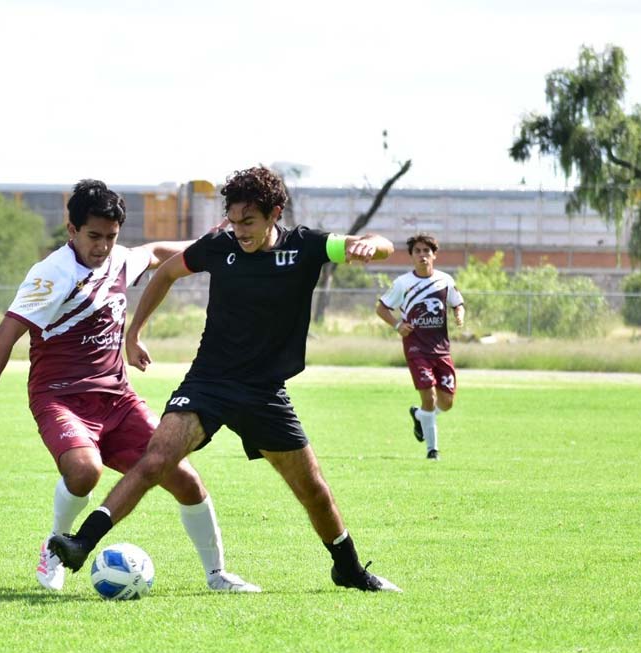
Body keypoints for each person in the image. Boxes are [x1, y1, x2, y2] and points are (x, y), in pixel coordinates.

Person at [49, 166, 402, 593]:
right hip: (208, 384)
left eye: (248, 222)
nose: (238, 231)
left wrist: (369, 246)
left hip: (264, 393)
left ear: (275, 214)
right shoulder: (219, 246)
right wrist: (135, 333)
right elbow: (165, 273)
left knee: (313, 491)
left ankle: (347, 568)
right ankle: (82, 542)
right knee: (156, 459)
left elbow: (382, 246)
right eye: (232, 221)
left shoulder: (306, 246)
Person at [0, 179, 259, 594]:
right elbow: (8, 333)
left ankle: (217, 574)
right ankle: (55, 547)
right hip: (60, 397)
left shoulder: (118, 260)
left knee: (185, 478)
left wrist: (210, 243)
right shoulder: (50, 274)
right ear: (71, 230)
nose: (102, 247)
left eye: (111, 238)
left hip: (117, 399)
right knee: (84, 472)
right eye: (93, 236)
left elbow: (153, 253)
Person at [375, 232, 465, 461]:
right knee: (430, 399)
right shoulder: (403, 283)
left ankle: (419, 416)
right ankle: (432, 450)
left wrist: (459, 315)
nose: (423, 255)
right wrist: (397, 325)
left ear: (434, 255)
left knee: (447, 403)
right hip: (416, 349)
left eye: (427, 251)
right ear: (412, 256)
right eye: (418, 251)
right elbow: (382, 308)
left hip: (441, 349)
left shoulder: (445, 280)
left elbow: (458, 303)